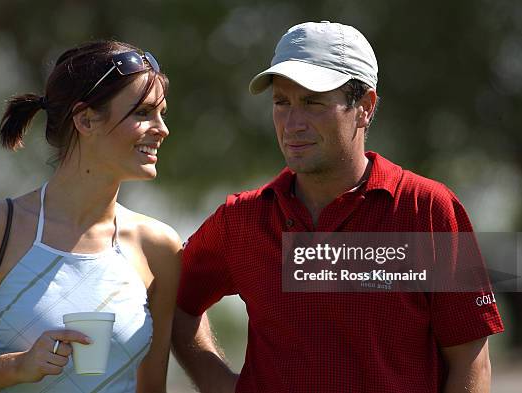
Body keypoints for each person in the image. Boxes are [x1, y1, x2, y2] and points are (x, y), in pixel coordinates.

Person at [171, 21, 504, 393]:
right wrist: (219, 384)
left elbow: (470, 362)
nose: (293, 123)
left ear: (364, 107)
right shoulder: (242, 220)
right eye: (282, 102)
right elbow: (174, 301)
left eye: (312, 102)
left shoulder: (424, 208)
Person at [0, 40, 180, 392]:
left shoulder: (158, 248)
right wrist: (10, 368)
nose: (162, 128)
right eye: (143, 113)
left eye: (161, 113)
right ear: (85, 120)